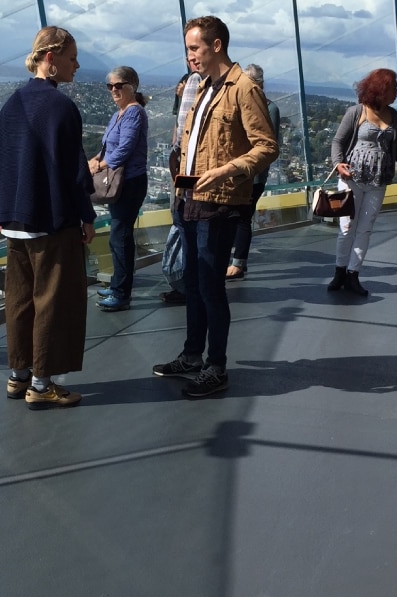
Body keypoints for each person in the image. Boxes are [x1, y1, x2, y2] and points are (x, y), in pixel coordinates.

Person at [152, 15, 278, 397]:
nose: (189, 56)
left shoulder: (244, 89)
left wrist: (226, 171)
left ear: (216, 45)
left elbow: (267, 146)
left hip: (219, 204)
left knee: (210, 287)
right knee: (193, 284)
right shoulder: (204, 87)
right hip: (191, 199)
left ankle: (216, 366)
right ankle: (193, 355)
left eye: (195, 48)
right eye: (188, 49)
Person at [0, 26, 95, 409]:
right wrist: (86, 216)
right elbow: (74, 172)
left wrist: (2, 213)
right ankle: (41, 383)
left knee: (19, 300)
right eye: (71, 58)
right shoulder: (61, 108)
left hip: (15, 222)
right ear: (51, 58)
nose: (76, 65)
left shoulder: (12, 104)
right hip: (51, 221)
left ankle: (18, 375)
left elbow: (1, 162)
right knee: (52, 301)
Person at [329, 68, 397, 296]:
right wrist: (338, 164)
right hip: (352, 180)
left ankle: (353, 274)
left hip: (378, 181)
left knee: (365, 229)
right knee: (347, 228)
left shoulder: (393, 115)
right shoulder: (356, 112)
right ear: (381, 89)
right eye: (394, 88)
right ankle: (339, 271)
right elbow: (338, 142)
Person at [90, 66, 148, 311]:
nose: (113, 90)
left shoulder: (134, 112)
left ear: (132, 86)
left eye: (118, 85)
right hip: (120, 182)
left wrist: (100, 165)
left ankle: (122, 292)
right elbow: (108, 147)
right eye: (110, 86)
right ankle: (117, 284)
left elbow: (124, 149)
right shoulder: (119, 114)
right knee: (117, 236)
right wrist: (94, 160)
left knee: (121, 236)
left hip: (130, 183)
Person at [226, 64, 280, 280]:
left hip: (254, 173)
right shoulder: (248, 104)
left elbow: (268, 143)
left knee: (243, 215)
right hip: (238, 169)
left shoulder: (270, 108)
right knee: (237, 215)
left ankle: (238, 263)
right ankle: (236, 260)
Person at [161, 65, 202, 306]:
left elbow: (180, 138)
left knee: (185, 229)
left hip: (186, 179)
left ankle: (187, 286)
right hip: (191, 178)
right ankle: (190, 286)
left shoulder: (195, 80)